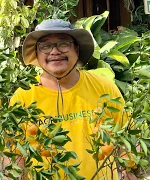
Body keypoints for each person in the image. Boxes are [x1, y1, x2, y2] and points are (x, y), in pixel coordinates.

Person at [8, 19, 137, 179]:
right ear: (36, 53)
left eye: (63, 44)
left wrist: (128, 170)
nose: (54, 52)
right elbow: (15, 156)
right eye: (45, 46)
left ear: (76, 49)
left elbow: (126, 136)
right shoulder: (23, 96)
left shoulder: (103, 87)